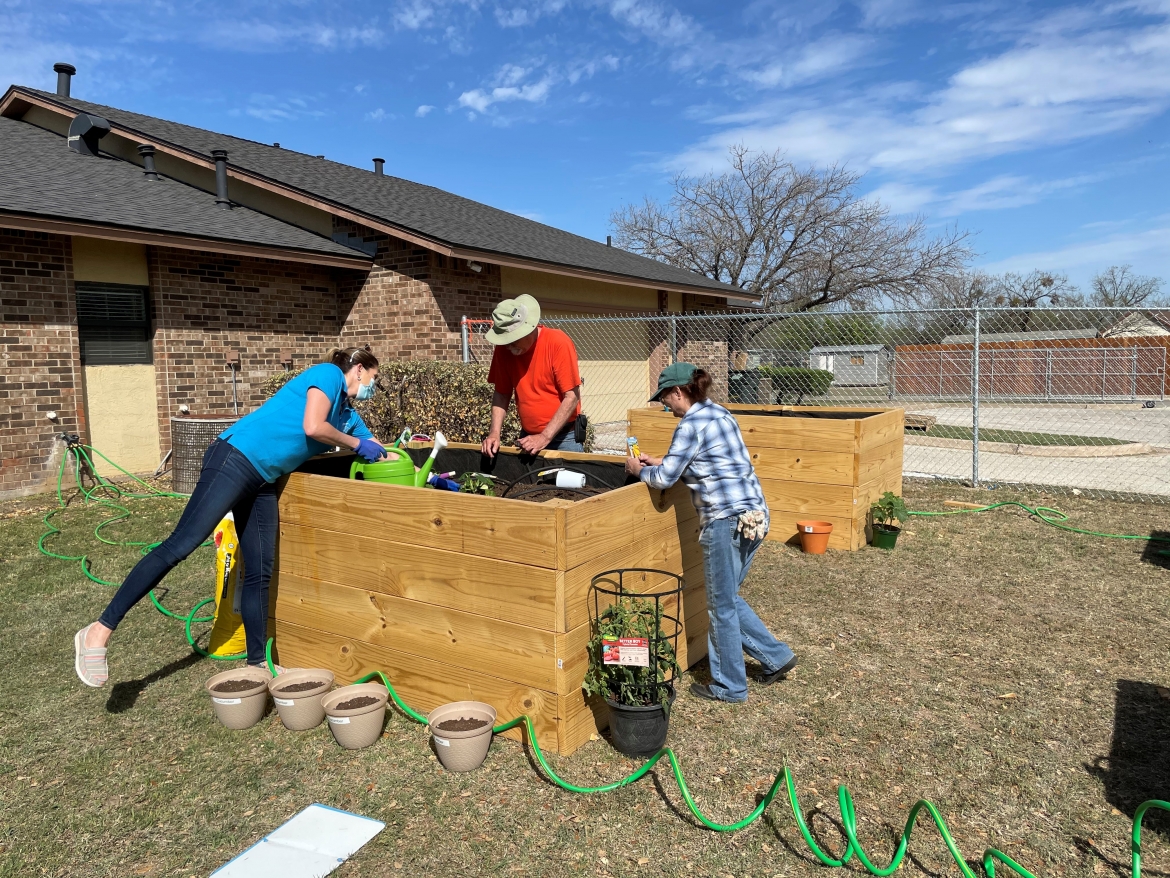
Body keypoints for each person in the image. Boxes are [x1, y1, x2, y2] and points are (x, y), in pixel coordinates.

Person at [73, 346, 389, 687]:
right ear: (359, 369)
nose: (372, 386)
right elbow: (313, 427)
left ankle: (257, 664)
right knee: (181, 544)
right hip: (235, 459)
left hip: (263, 478)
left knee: (259, 571)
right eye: (373, 378)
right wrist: (356, 446)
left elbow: (382, 451)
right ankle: (98, 631)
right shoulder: (327, 376)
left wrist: (429, 475)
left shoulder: (347, 416)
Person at [625, 362, 797, 703]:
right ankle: (776, 656)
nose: (665, 406)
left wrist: (638, 470)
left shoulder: (689, 425)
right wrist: (660, 459)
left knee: (721, 606)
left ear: (678, 392)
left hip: (725, 522)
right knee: (728, 598)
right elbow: (706, 460)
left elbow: (663, 479)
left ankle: (730, 686)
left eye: (665, 398)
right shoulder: (718, 413)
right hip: (756, 515)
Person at [480, 294, 584, 457]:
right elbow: (502, 392)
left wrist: (544, 437)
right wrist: (494, 433)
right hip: (528, 438)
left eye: (512, 339)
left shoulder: (557, 342)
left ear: (528, 329)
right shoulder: (504, 350)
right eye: (505, 340)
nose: (508, 345)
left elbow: (571, 397)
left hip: (565, 439)